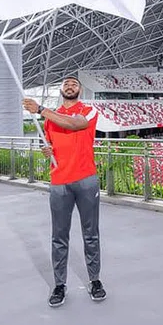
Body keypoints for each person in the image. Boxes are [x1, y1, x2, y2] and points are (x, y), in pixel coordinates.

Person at [23, 75, 106, 308]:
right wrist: (47, 151)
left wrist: (40, 109)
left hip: (86, 180)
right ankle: (60, 285)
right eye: (66, 84)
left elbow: (75, 124)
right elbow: (50, 144)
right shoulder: (51, 118)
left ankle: (95, 280)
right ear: (61, 90)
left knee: (91, 233)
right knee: (59, 236)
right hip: (59, 181)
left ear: (80, 90)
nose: (70, 86)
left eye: (75, 84)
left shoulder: (88, 110)